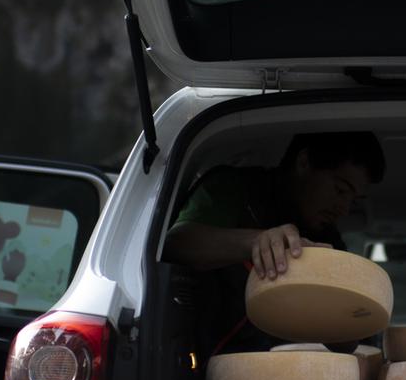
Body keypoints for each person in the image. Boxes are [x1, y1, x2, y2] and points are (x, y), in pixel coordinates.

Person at [163, 132, 386, 353]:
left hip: (285, 374)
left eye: (353, 200)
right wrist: (256, 241)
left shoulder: (327, 241)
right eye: (340, 190)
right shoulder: (234, 189)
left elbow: (347, 344)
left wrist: (322, 300)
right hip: (202, 367)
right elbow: (176, 243)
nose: (344, 209)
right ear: (304, 162)